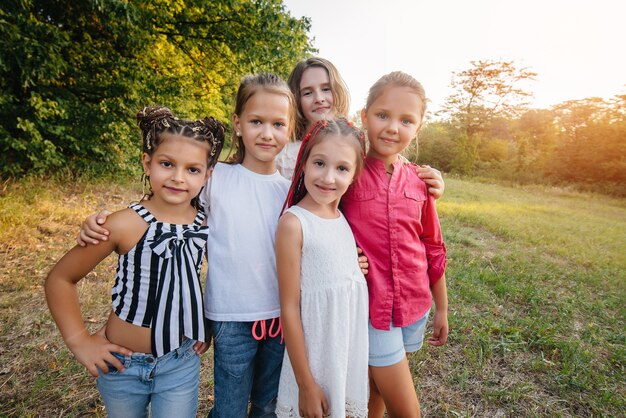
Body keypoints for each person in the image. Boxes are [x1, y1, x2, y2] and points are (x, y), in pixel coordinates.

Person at [45, 106, 226, 418]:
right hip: (123, 364)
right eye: (167, 164)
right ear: (147, 162)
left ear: (207, 175)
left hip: (180, 361)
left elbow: (203, 280)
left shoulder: (206, 222)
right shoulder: (123, 223)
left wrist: (203, 324)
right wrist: (80, 341)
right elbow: (60, 279)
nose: (178, 177)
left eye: (193, 170)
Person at [341, 72, 449, 418]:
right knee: (408, 411)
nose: (392, 127)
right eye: (382, 115)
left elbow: (433, 245)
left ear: (418, 128)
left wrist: (442, 308)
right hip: (372, 309)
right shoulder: (346, 173)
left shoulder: (420, 182)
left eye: (406, 120)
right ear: (364, 115)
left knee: (378, 387)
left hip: (414, 305)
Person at [275, 119, 369, 418]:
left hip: (344, 354)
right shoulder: (294, 223)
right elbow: (289, 307)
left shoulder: (342, 218)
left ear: (354, 175)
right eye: (319, 163)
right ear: (303, 163)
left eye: (342, 168)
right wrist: (306, 385)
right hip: (314, 362)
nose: (328, 177)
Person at [276, 57, 445, 200]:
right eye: (307, 93)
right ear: (296, 99)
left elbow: (386, 157)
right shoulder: (285, 152)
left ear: (338, 91)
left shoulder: (354, 140)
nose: (319, 98)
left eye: (326, 89)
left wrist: (428, 179)